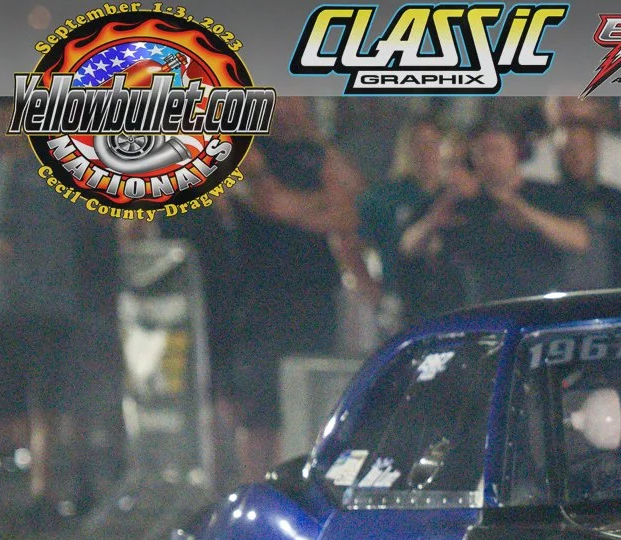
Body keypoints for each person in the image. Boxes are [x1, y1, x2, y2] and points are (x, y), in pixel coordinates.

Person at [230, 96, 373, 484]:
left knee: (313, 394)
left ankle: (304, 486)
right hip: (262, 296)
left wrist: (310, 204)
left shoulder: (317, 152)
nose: (288, 108)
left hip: (315, 293)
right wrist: (321, 208)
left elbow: (353, 207)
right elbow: (272, 204)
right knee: (261, 408)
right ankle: (257, 487)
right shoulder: (249, 152)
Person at [0, 118, 121, 523]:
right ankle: (59, 487)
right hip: (43, 304)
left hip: (45, 305)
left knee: (50, 399)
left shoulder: (37, 173)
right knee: (50, 400)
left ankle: (51, 489)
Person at [413, 123, 598, 304]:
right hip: (479, 307)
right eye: (482, 152)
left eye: (498, 150)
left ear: (515, 151)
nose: (491, 159)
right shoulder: (464, 202)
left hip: (538, 305)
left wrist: (523, 211)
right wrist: (440, 211)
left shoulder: (545, 194)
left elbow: (579, 240)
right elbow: (410, 247)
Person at [358, 117, 462, 327]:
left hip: (450, 300)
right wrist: (370, 289)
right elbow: (354, 242)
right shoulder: (383, 197)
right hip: (400, 300)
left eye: (433, 143)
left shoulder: (457, 196)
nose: (426, 151)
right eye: (419, 143)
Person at [555, 121, 621, 287]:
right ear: (559, 154)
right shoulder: (547, 202)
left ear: (596, 150)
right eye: (570, 148)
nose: (577, 155)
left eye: (584, 147)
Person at [525, 97, 621, 217]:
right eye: (562, 103)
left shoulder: (620, 154)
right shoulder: (540, 154)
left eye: (584, 148)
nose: (578, 156)